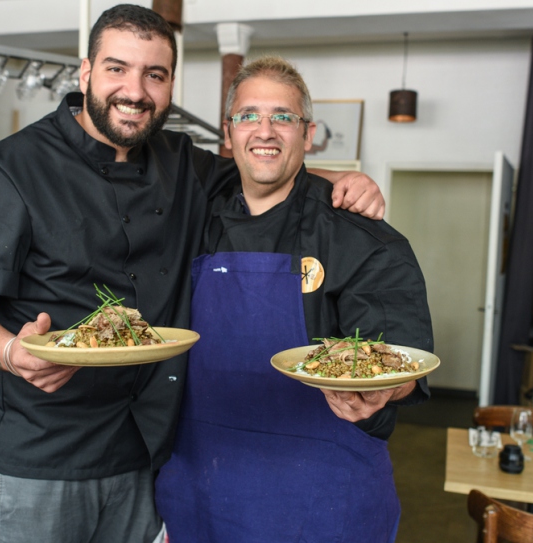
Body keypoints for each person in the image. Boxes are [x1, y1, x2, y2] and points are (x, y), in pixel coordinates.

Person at [0, 5, 385, 543]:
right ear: (85, 74)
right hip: (42, 456)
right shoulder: (8, 167)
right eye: (117, 69)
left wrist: (342, 181)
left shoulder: (182, 162)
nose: (135, 90)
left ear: (171, 83)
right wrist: (13, 352)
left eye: (155, 74)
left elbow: (264, 169)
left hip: (145, 453)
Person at [154, 55, 434, 543]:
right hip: (201, 490)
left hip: (325, 502)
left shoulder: (364, 239)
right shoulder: (189, 223)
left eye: (283, 117)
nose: (265, 131)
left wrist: (381, 390)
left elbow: (403, 358)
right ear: (228, 133)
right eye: (249, 116)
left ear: (308, 134)